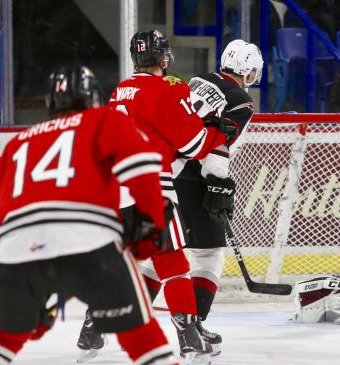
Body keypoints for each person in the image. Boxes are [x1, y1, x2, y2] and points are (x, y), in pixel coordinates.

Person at [0, 66, 179, 365]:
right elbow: (144, 167)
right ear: (92, 97)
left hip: (14, 253)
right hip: (89, 242)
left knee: (0, 338)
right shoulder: (104, 119)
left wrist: (24, 296)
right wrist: (150, 230)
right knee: (140, 336)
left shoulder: (19, 141)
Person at [75, 30, 236, 362]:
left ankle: (92, 329)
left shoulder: (121, 90)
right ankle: (190, 337)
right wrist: (217, 131)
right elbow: (192, 144)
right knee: (173, 264)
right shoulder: (163, 89)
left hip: (112, 187)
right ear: (163, 57)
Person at [169, 39, 263, 356]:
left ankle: (96, 325)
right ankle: (193, 329)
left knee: (161, 255)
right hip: (193, 175)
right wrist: (218, 183)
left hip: (163, 169)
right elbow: (217, 147)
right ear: (249, 70)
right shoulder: (241, 101)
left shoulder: (199, 80)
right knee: (209, 256)